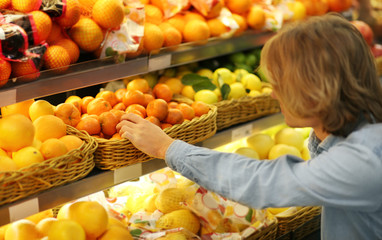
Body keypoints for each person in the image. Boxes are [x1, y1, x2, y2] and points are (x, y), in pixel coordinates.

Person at [117, 13, 382, 240]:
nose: (273, 95)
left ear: (316, 92)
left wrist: (167, 147)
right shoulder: (361, 127)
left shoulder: (362, 161)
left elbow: (264, 183)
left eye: (281, 86)